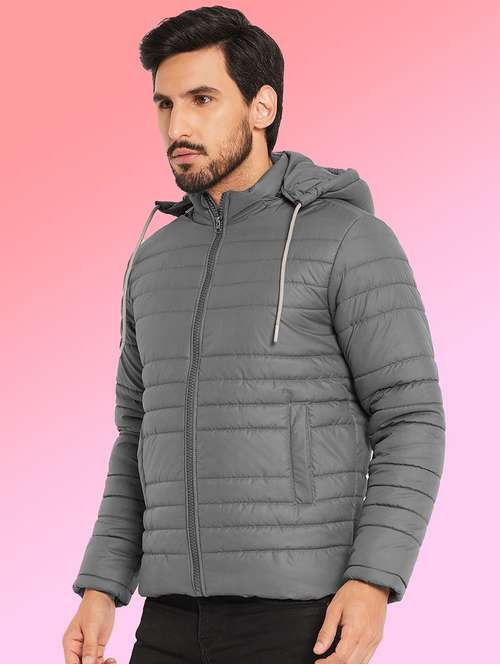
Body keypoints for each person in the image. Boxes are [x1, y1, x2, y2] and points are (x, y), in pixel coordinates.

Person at [62, 6, 446, 664]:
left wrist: (374, 579)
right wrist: (101, 586)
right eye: (164, 104)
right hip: (168, 619)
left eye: (202, 99)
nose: (177, 127)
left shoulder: (349, 240)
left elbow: (411, 418)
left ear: (261, 106)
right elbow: (138, 435)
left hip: (301, 618)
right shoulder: (153, 261)